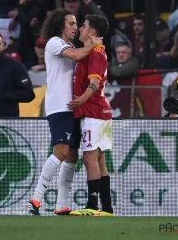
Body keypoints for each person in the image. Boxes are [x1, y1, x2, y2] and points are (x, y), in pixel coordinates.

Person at [28, 9, 101, 216]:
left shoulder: (69, 45)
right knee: (61, 151)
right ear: (61, 25)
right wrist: (96, 43)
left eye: (77, 23)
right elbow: (78, 55)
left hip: (74, 106)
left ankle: (61, 204)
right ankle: (36, 198)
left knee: (72, 155)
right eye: (71, 23)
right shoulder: (54, 43)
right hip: (60, 106)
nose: (75, 27)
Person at [67, 14, 114, 216]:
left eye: (83, 26)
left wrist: (81, 99)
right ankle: (107, 208)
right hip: (101, 112)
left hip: (93, 112)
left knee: (89, 158)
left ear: (92, 32)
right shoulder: (97, 51)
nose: (80, 29)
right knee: (99, 161)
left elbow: (94, 83)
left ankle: (92, 206)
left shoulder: (95, 53)